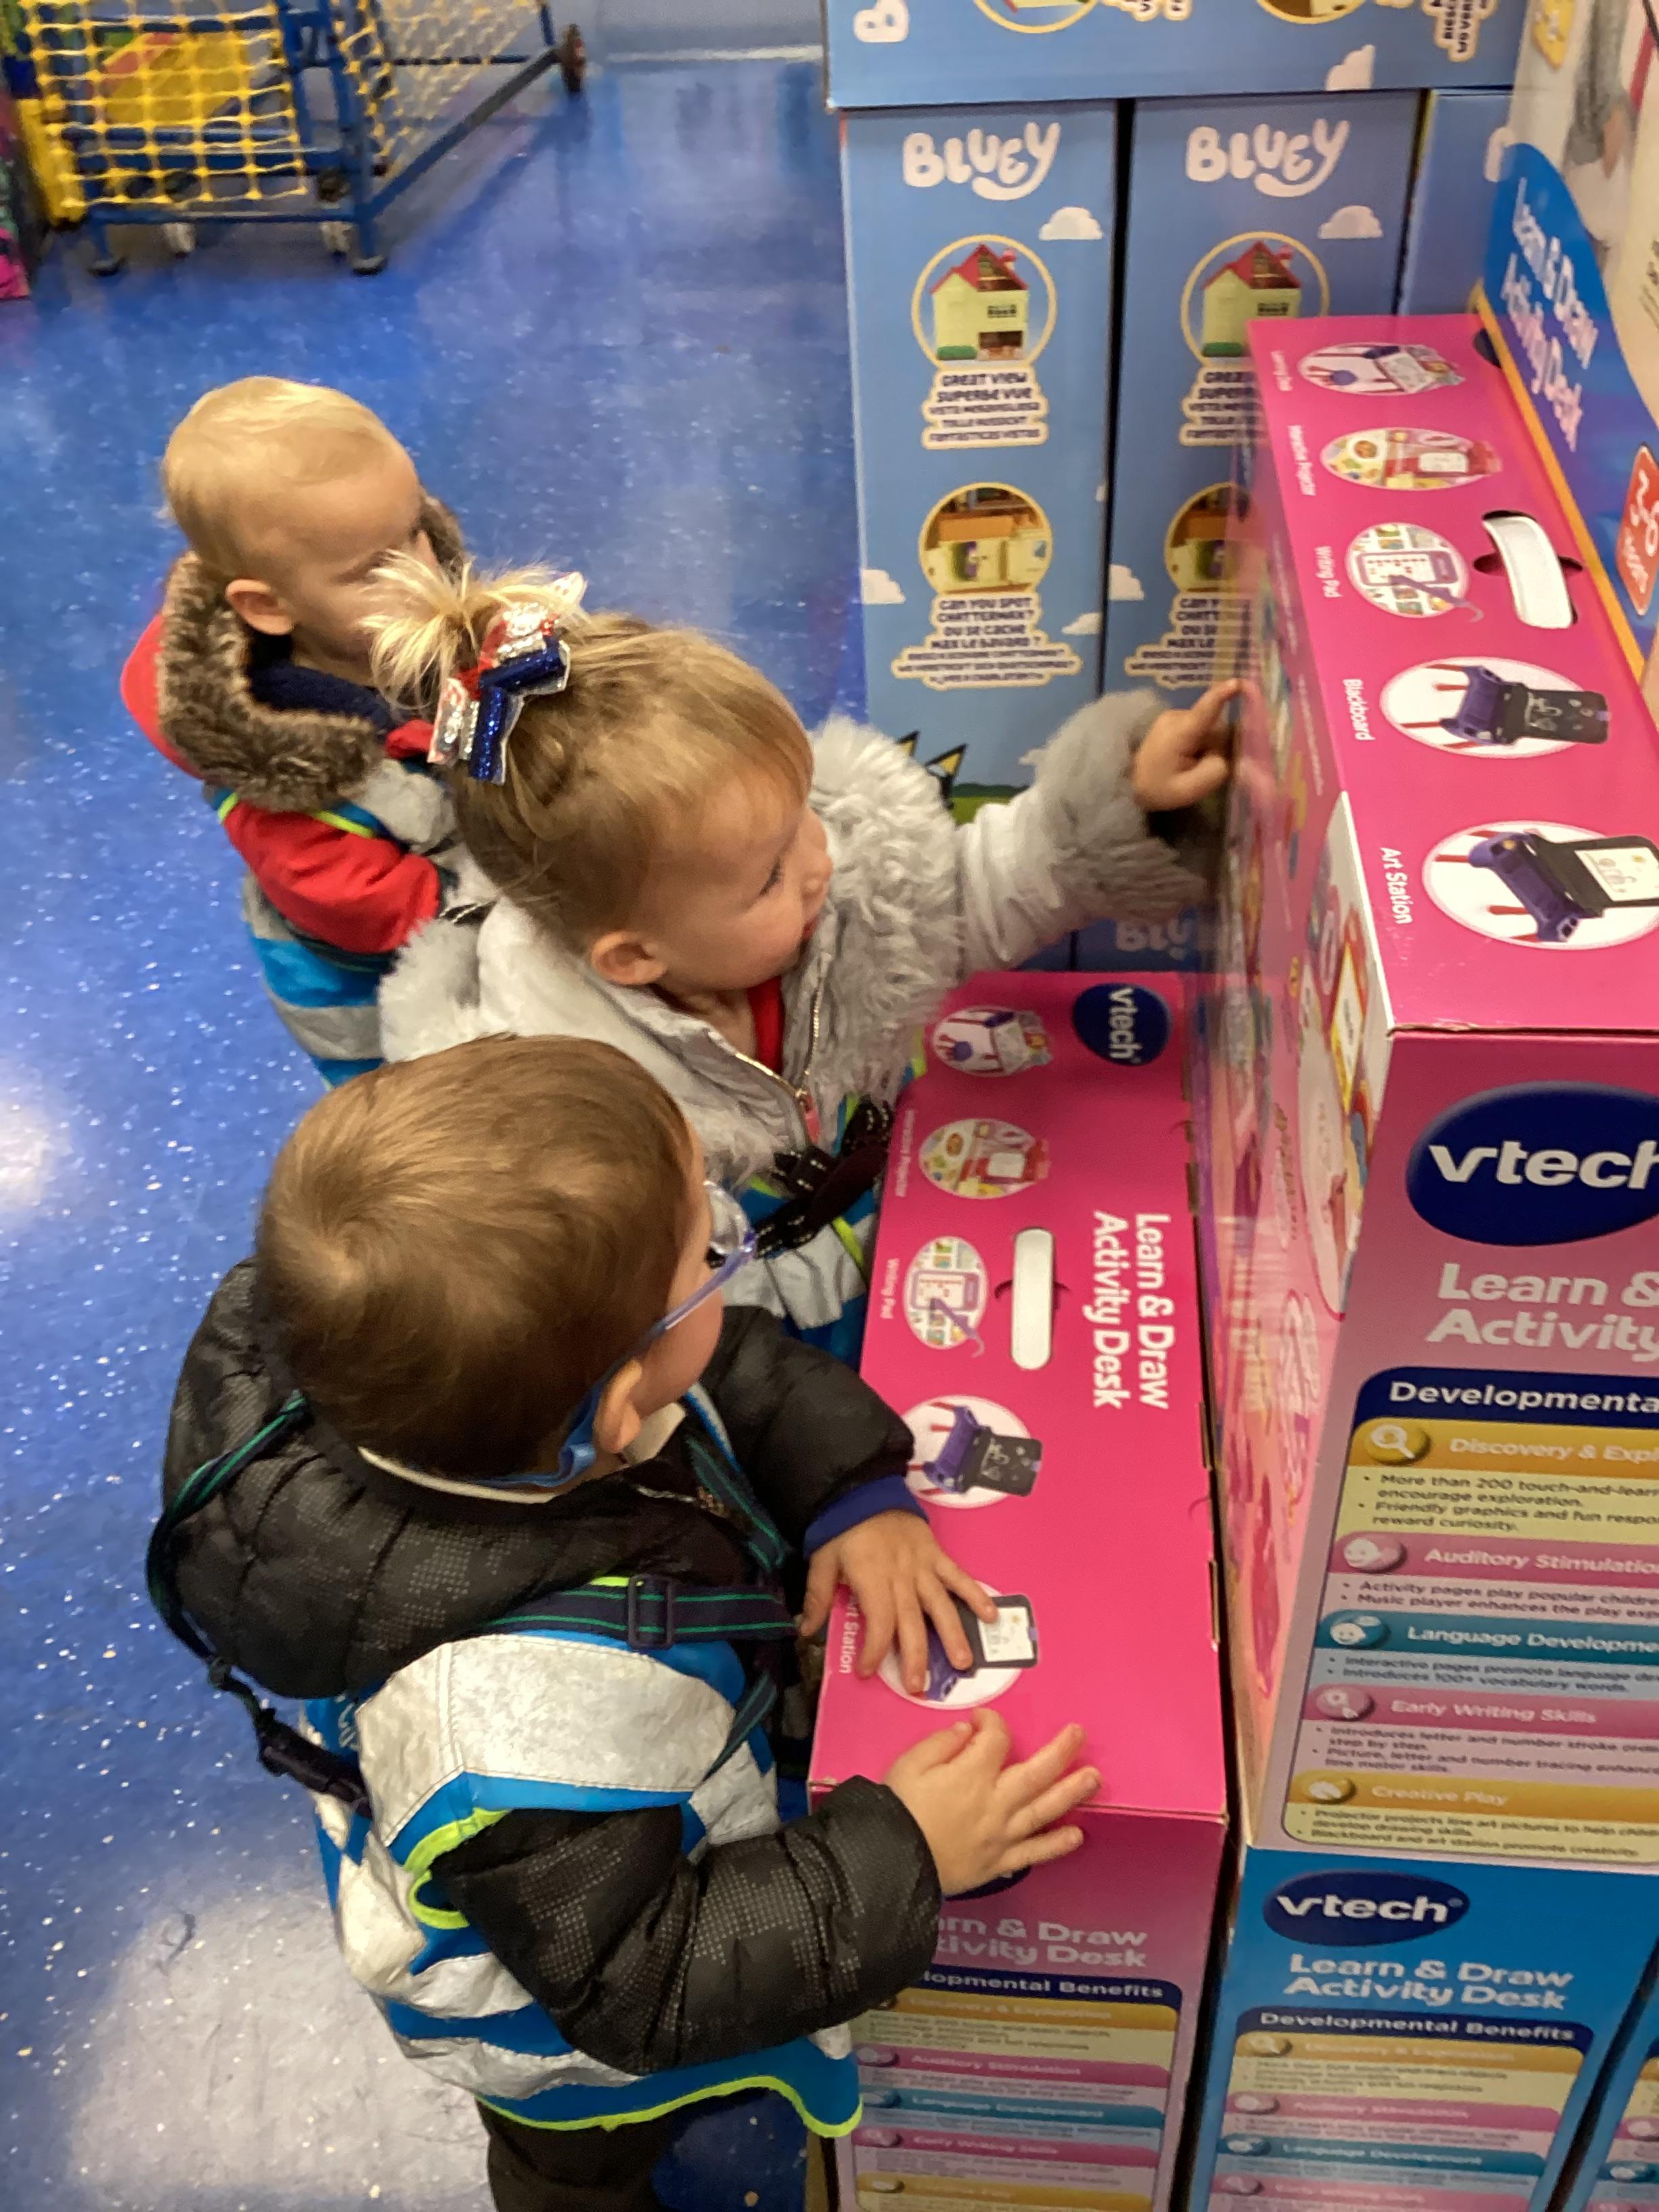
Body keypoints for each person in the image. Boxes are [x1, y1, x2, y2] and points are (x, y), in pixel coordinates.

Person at [150, 1036, 1098, 2212]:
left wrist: (852, 1487)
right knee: (583, 2156)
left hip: (633, 1799)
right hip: (560, 2028)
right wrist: (900, 1854)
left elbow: (730, 1367)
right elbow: (638, 1979)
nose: (725, 1250)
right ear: (615, 1409)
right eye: (703, 1254)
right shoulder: (513, 1733)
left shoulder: (467, 1390)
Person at [371, 562, 1237, 1355]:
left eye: (804, 816)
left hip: (926, 1216)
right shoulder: (581, 1110)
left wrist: (1118, 809)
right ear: (634, 957)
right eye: (771, 876)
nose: (821, 861)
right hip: (780, 1339)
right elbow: (678, 1310)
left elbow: (960, 901)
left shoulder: (810, 882)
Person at [121, 378, 491, 1084]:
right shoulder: (283, 787)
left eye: (414, 532)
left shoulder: (390, 618)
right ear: (268, 606)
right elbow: (374, 910)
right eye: (375, 569)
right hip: (381, 1003)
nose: (422, 573)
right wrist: (525, 905)